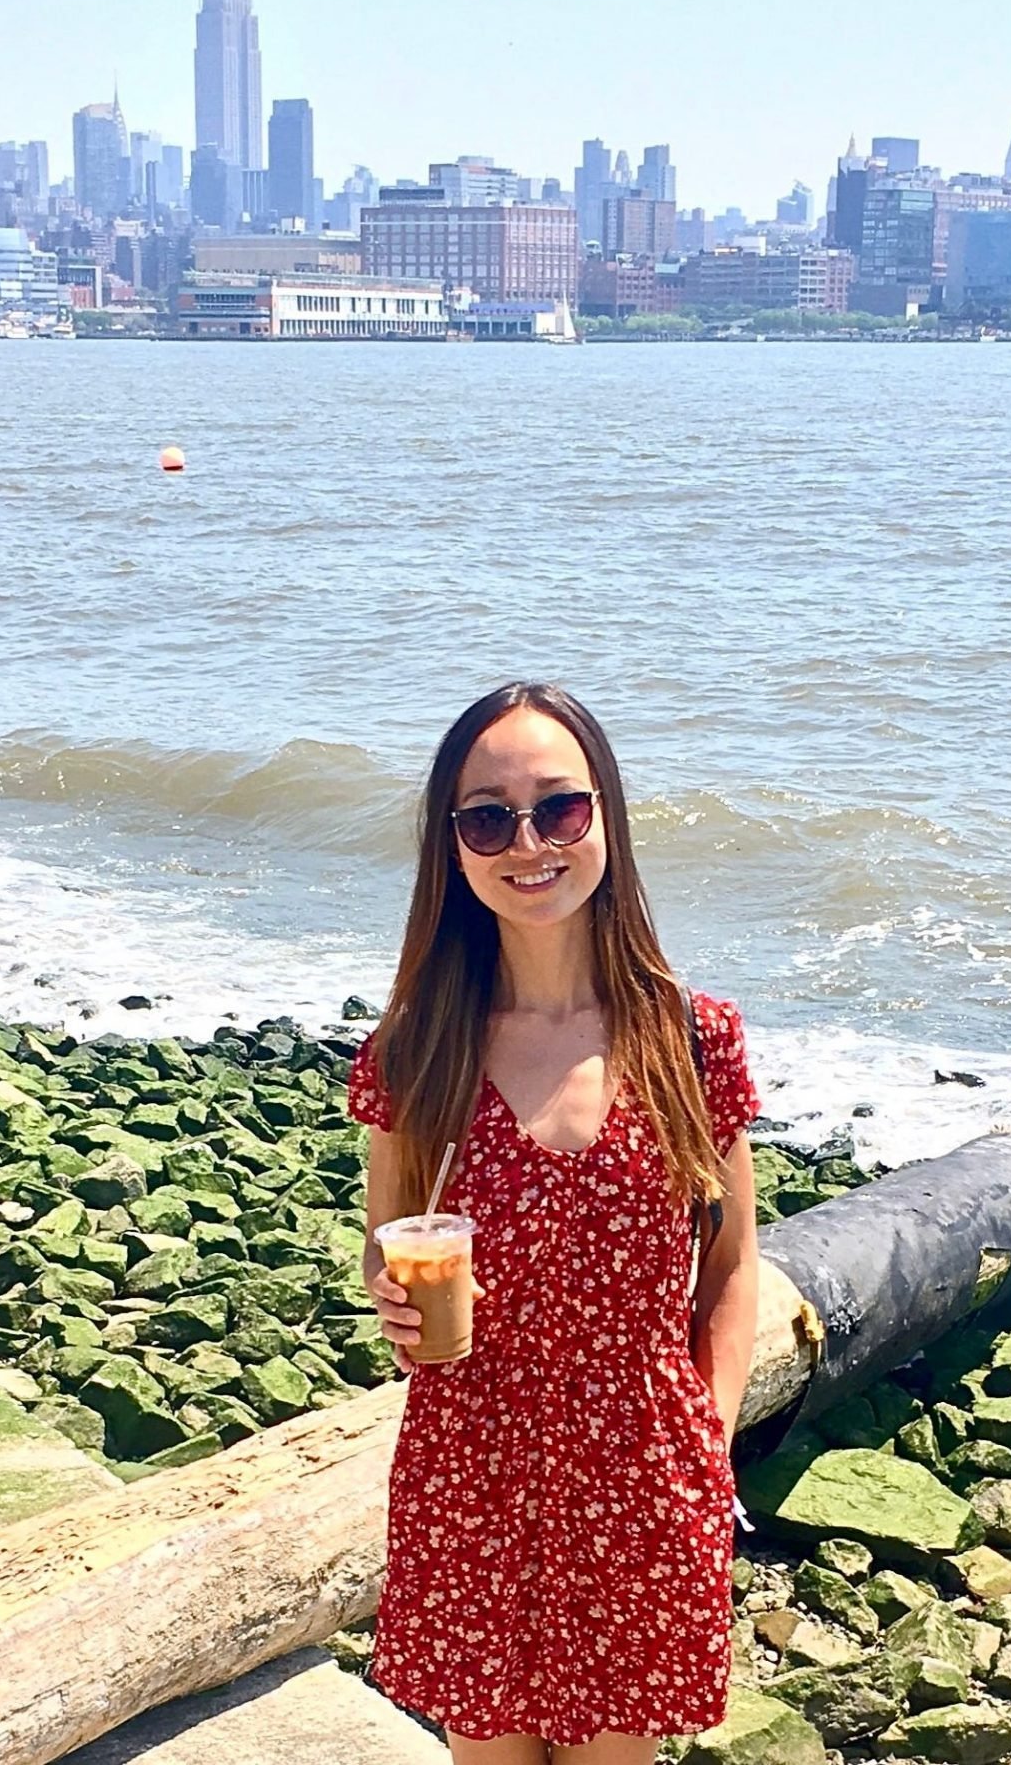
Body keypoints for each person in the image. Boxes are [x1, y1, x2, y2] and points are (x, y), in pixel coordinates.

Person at [350, 681, 765, 1765]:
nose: (526, 843)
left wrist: (705, 1450)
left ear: (606, 822)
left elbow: (727, 1270)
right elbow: (387, 1240)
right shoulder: (418, 1044)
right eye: (487, 818)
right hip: (470, 1464)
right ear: (454, 847)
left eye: (558, 810)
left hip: (640, 1470)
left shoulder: (690, 1036)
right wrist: (396, 1307)